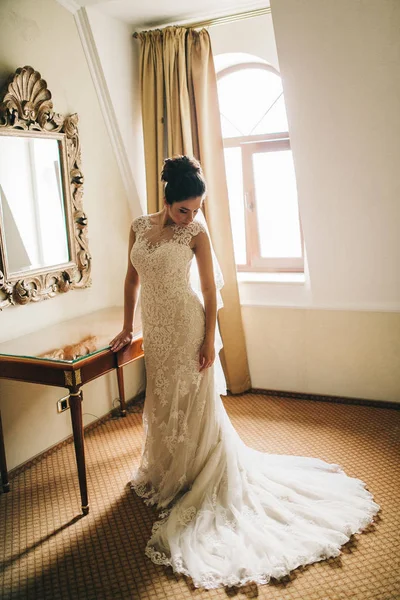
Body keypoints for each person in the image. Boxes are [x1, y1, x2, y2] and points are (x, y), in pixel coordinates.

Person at [110, 156, 380, 590]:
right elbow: (130, 281)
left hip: (186, 325)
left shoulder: (196, 233)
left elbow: (211, 292)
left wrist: (207, 343)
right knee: (162, 398)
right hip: (156, 333)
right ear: (166, 198)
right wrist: (127, 328)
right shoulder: (139, 227)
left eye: (196, 209)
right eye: (183, 209)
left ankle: (197, 471)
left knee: (193, 401)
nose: (189, 216)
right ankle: (168, 470)